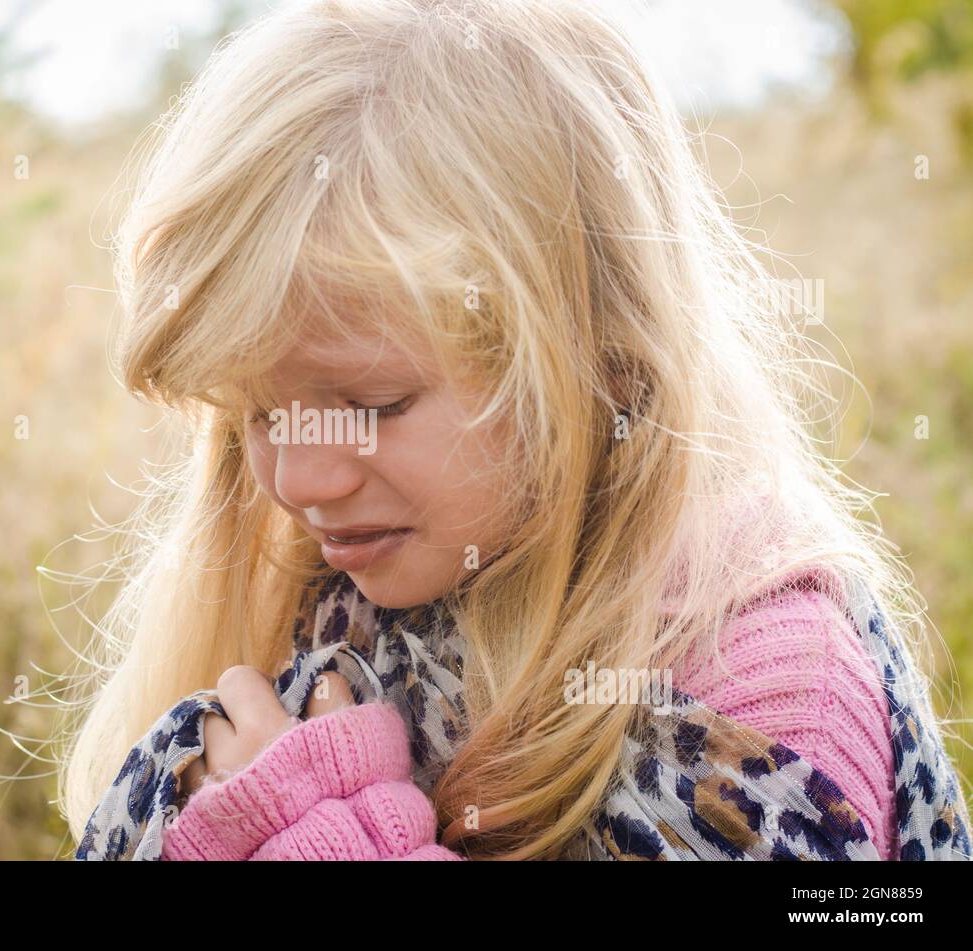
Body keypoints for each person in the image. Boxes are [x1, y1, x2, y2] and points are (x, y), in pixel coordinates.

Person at [58, 0, 969, 860]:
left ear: (602, 357)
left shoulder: (765, 692)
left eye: (374, 404)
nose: (299, 478)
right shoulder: (352, 609)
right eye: (259, 411)